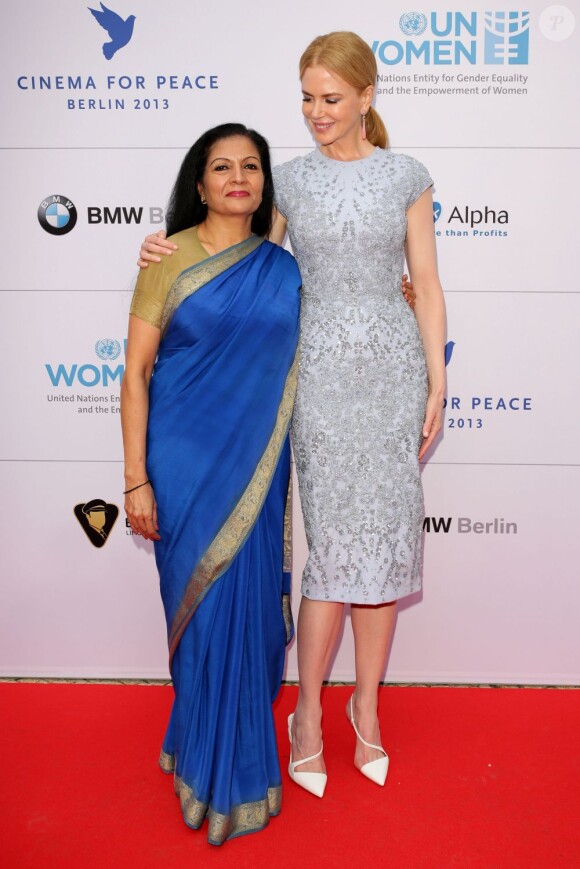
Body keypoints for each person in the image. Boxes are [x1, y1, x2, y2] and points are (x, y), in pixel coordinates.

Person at [136, 32, 446, 799]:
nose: (315, 113)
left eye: (331, 99)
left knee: (384, 553)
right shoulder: (292, 184)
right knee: (335, 552)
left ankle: (365, 708)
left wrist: (437, 380)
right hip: (316, 379)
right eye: (306, 98)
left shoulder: (407, 175)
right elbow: (246, 267)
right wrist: (165, 249)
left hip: (392, 371)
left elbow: (428, 284)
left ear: (368, 97)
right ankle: (305, 713)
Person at [121, 123, 301, 844]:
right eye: (221, 167)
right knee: (197, 611)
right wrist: (135, 480)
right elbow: (135, 372)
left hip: (256, 466)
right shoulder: (166, 260)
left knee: (247, 613)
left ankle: (225, 760)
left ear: (264, 182)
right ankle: (204, 759)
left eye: (251, 166)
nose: (237, 177)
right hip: (183, 462)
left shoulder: (282, 263)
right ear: (198, 183)